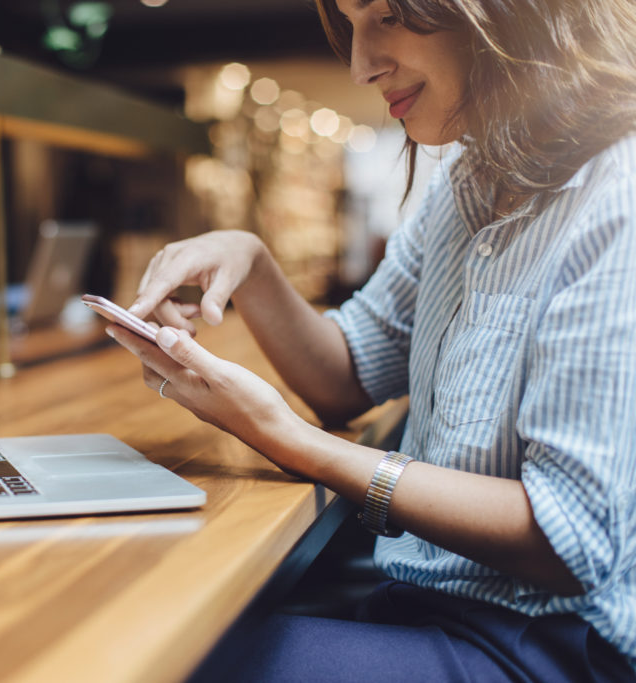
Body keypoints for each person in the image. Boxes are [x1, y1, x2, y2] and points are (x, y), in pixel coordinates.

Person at [105, 0, 636, 679]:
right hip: (427, 607)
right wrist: (251, 263)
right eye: (351, 26)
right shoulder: (465, 185)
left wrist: (291, 440)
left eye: (386, 16)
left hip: (543, 645)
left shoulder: (617, 192)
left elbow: (571, 536)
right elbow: (347, 374)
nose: (360, 65)